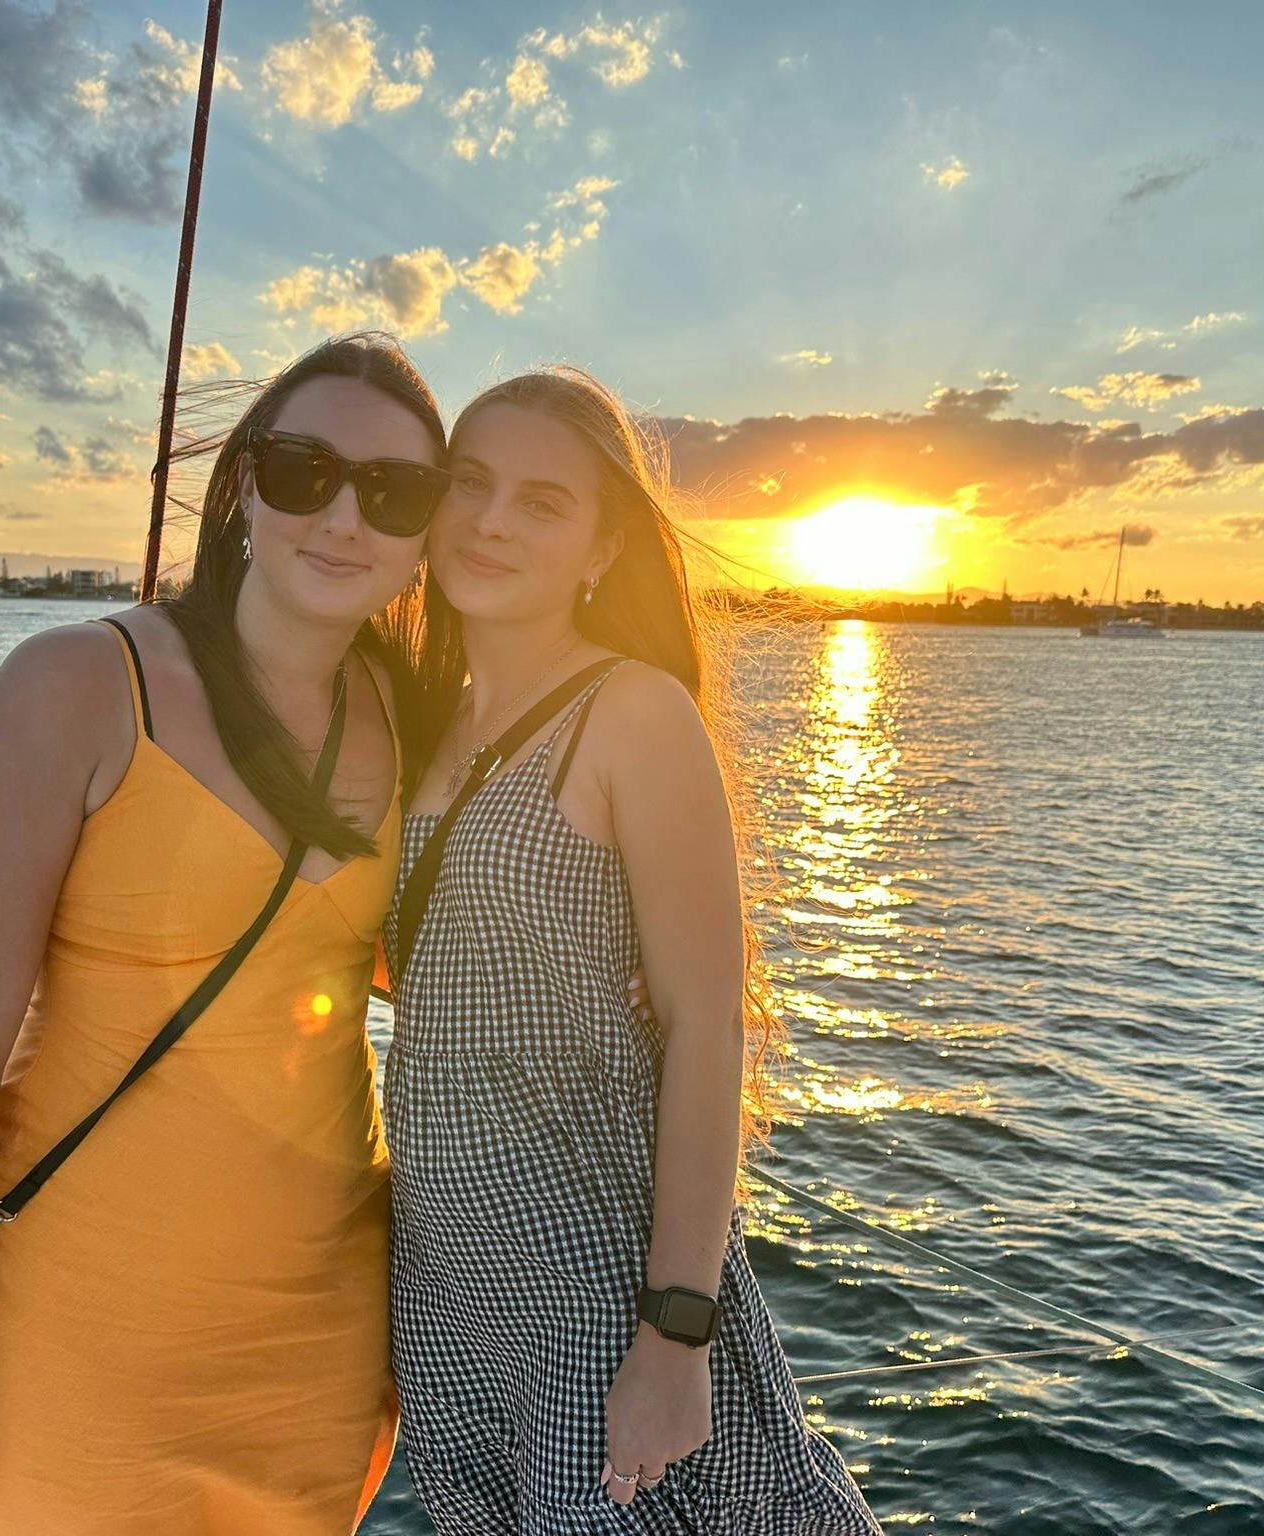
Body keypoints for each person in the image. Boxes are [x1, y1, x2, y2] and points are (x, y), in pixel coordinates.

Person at [0, 333, 446, 1535]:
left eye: (394, 492)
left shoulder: (410, 722)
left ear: (423, 535)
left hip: (318, 1341)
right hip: (81, 1341)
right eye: (304, 471)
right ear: (242, 481)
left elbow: (424, 976)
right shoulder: (75, 687)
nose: (344, 516)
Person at [381, 367, 881, 1532]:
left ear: (603, 547)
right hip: (445, 1275)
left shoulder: (628, 713)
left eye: (541, 502)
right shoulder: (425, 725)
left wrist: (676, 1330)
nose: (490, 521)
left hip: (595, 1272)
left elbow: (707, 1026)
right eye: (468, 483)